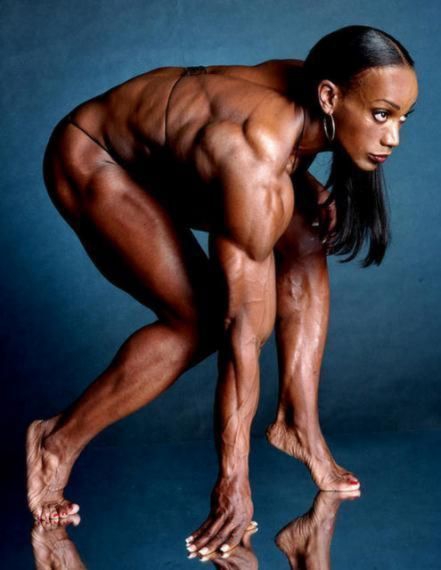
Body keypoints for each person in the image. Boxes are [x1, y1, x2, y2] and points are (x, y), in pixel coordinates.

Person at [26, 24, 418, 559]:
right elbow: (242, 328)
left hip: (176, 157)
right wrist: (233, 480)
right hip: (95, 157)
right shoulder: (257, 152)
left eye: (401, 117)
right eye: (381, 115)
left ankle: (297, 422)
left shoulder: (308, 90)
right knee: (203, 322)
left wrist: (304, 186)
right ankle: (55, 443)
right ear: (330, 97)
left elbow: (231, 138)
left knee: (305, 234)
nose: (393, 138)